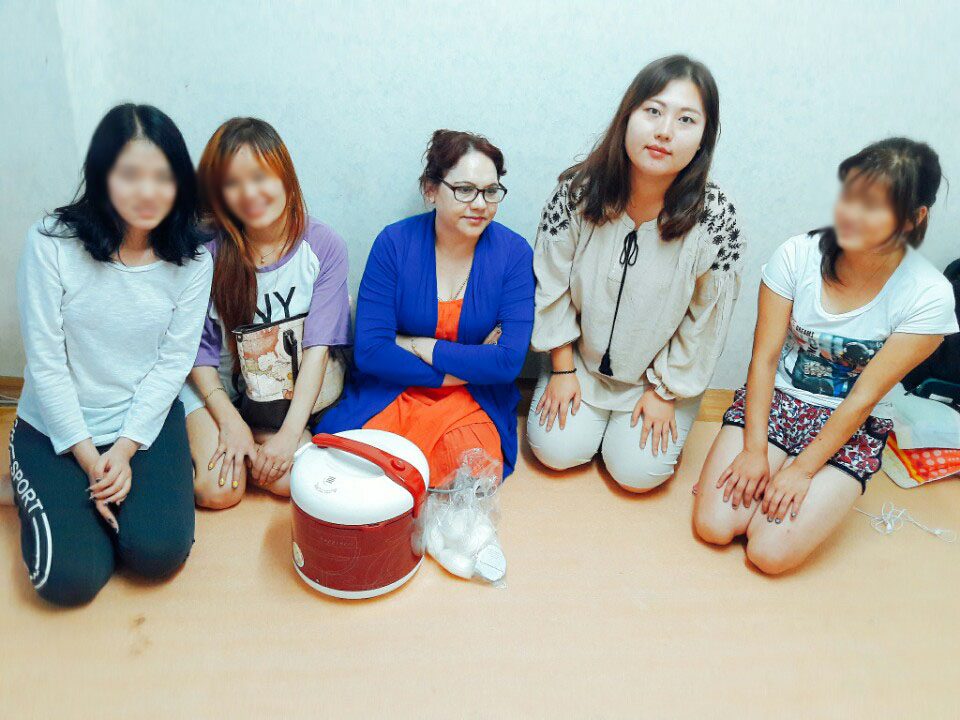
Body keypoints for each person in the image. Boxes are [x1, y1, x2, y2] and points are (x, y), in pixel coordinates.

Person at [693, 138, 958, 574]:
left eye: (874, 206)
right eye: (850, 196)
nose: (852, 215)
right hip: (779, 402)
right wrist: (754, 450)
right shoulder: (797, 254)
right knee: (715, 525)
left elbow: (864, 398)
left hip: (850, 424)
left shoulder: (929, 296)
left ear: (914, 218)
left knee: (768, 553)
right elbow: (764, 358)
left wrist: (801, 470)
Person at [9, 103, 212, 606]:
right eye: (130, 175)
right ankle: (39, 482)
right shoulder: (52, 243)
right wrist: (90, 460)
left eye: (162, 177)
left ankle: (105, 503)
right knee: (71, 581)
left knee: (157, 554)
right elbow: (46, 363)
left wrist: (122, 451)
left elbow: (173, 363)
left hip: (139, 426)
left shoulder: (192, 259)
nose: (148, 192)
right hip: (57, 430)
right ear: (102, 175)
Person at [527, 55, 743, 492]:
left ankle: (646, 413)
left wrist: (664, 393)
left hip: (658, 375)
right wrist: (563, 370)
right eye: (653, 111)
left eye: (686, 120)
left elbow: (706, 320)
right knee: (555, 450)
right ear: (628, 115)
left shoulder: (716, 218)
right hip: (579, 362)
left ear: (704, 138)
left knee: (637, 473)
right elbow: (550, 284)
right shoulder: (578, 191)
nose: (665, 131)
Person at [317, 130, 534, 485]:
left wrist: (416, 344)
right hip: (393, 388)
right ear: (431, 190)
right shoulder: (393, 244)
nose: (480, 204)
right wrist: (460, 368)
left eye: (491, 191)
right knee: (360, 469)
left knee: (466, 472)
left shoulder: (514, 253)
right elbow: (371, 352)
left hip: (472, 397)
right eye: (465, 190)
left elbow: (507, 361)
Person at [179, 118, 351, 509]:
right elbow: (199, 354)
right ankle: (184, 440)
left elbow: (317, 350)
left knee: (291, 481)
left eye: (260, 177)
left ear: (284, 175)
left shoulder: (323, 246)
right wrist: (230, 422)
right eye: (233, 183)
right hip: (214, 389)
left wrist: (289, 436)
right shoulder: (208, 255)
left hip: (273, 404)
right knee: (219, 490)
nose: (249, 194)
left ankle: (254, 439)